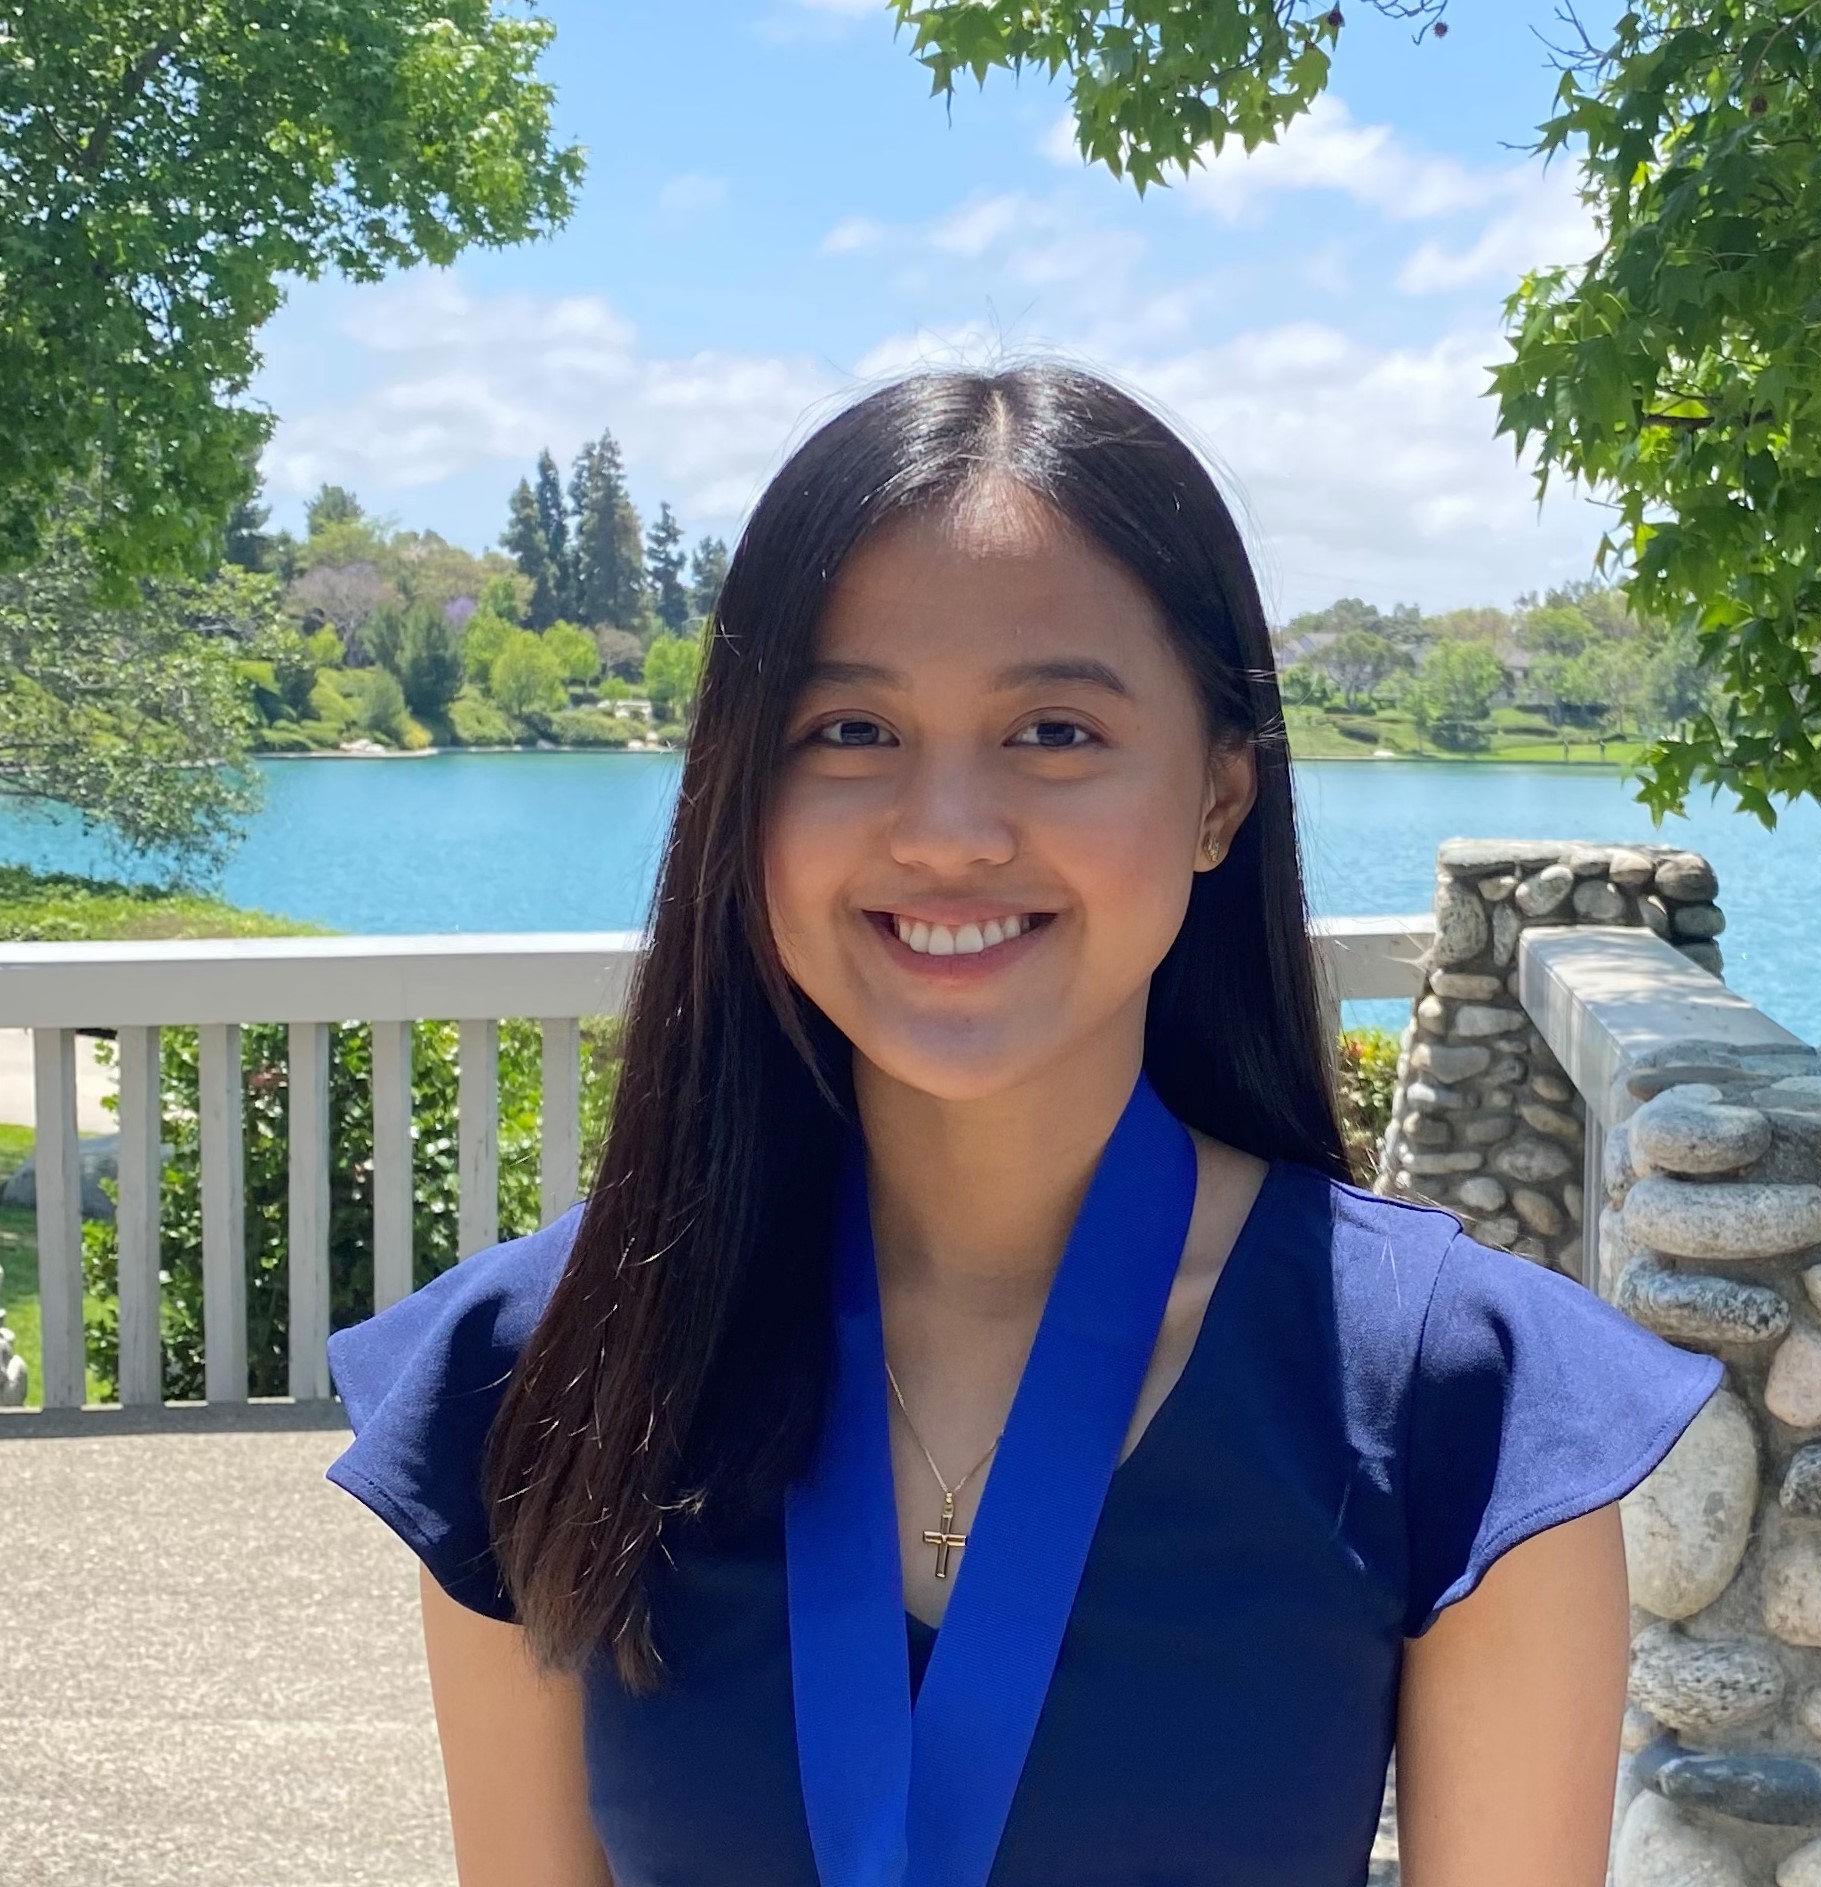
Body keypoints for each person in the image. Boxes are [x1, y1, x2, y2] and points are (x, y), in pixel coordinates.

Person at [323, 363, 1722, 1887]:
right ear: (742, 795)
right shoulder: (539, 1371)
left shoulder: (1455, 1399)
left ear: (1217, 798)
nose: (946, 833)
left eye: (1053, 731)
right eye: (849, 729)